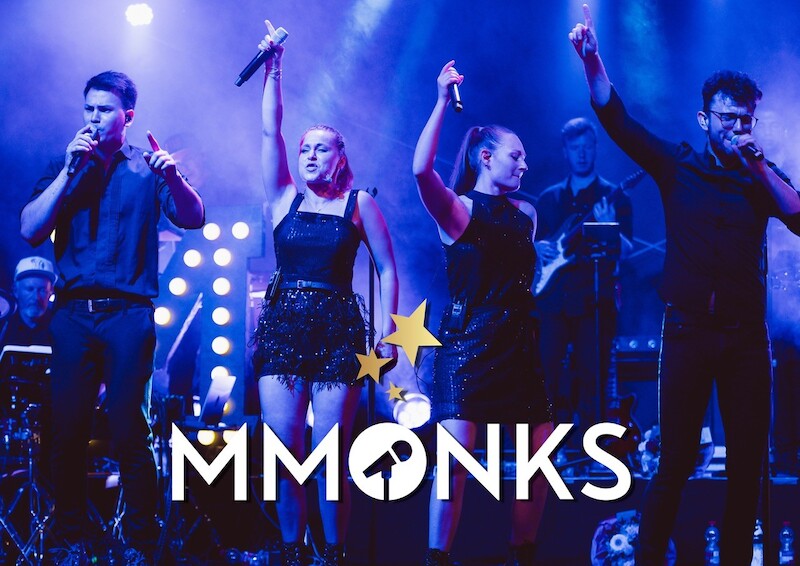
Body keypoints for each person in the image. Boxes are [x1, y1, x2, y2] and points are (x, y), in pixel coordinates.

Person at [569, 5, 800, 563]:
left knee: (748, 463)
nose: (737, 128)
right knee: (674, 460)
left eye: (746, 119)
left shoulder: (761, 177)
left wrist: (758, 166)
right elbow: (618, 122)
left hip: (746, 338)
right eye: (727, 118)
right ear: (704, 119)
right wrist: (593, 61)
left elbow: (798, 217)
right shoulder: (677, 165)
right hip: (688, 331)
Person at [20, 70, 204, 562]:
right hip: (73, 316)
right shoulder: (64, 164)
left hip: (128, 315)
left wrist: (173, 176)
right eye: (89, 109)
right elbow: (30, 230)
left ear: (128, 116)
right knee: (67, 432)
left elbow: (194, 217)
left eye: (104, 110)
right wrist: (68, 172)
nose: (94, 118)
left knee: (129, 430)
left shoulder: (148, 168)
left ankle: (140, 543)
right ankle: (70, 542)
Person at [252, 21, 398, 566]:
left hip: (338, 329)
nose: (310, 155)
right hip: (284, 327)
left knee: (329, 456)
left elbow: (387, 268)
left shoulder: (359, 204)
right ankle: (292, 553)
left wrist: (388, 332)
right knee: (284, 454)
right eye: (305, 148)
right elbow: (271, 132)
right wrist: (275, 68)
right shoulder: (282, 199)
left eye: (321, 149)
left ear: (340, 157)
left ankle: (333, 554)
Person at [412, 60, 553, 566]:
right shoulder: (459, 210)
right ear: (485, 158)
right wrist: (440, 102)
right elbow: (421, 171)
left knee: (538, 462)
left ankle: (522, 554)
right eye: (516, 156)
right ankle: (438, 559)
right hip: (468, 345)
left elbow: (521, 282)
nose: (524, 165)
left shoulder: (527, 214)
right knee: (455, 465)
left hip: (518, 345)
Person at [527, 117, 632, 460]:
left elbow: (629, 250)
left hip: (593, 301)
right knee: (546, 375)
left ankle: (590, 454)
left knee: (592, 379)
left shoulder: (613, 196)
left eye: (587, 147)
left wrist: (607, 225)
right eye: (576, 148)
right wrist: (536, 248)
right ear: (566, 151)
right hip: (552, 301)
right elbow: (531, 245)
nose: (582, 154)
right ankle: (547, 451)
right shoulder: (548, 198)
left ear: (596, 149)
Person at [0, 256, 56, 348]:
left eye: (42, 290)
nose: (36, 297)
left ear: (51, 292)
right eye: (29, 289)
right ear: (15, 290)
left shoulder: (62, 327)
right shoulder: (3, 327)